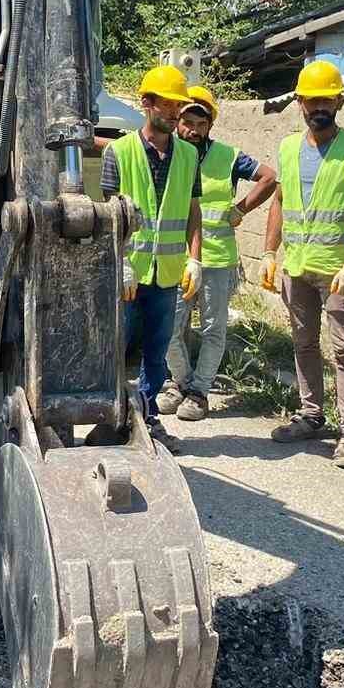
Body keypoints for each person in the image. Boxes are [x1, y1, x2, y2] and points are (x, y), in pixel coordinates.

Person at [261, 59, 344, 469]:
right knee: (304, 343)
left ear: (340, 100)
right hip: (296, 267)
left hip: (335, 271)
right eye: (311, 100)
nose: (318, 107)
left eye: (326, 98)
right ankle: (311, 415)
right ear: (300, 103)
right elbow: (279, 200)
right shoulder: (289, 147)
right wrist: (269, 251)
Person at [157, 85, 278, 422]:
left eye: (200, 123)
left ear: (210, 126)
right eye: (187, 122)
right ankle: (179, 382)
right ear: (177, 121)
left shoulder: (228, 156)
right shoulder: (168, 153)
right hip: (175, 257)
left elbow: (269, 178)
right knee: (169, 328)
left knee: (212, 329)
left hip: (218, 258)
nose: (192, 130)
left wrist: (240, 208)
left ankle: (199, 392)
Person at [101, 63, 203, 451]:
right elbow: (108, 214)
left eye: (179, 106)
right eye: (168, 104)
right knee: (114, 349)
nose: (176, 112)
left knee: (157, 354)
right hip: (128, 273)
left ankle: (147, 417)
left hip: (167, 274)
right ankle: (111, 418)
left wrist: (195, 258)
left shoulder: (190, 156)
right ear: (146, 104)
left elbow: (193, 211)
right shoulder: (119, 152)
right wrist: (121, 261)